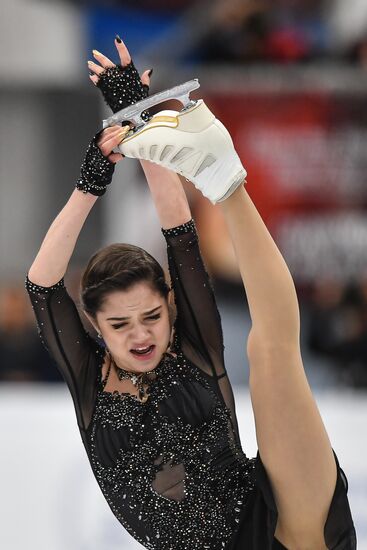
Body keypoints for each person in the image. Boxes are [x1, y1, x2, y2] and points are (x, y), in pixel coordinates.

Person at [26, 36, 356, 549]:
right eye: (119, 324)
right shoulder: (89, 379)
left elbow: (178, 231)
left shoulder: (193, 345)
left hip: (276, 521)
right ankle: (220, 176)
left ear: (171, 307)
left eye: (152, 317)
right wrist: (89, 183)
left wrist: (139, 123)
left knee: (270, 347)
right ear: (94, 326)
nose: (140, 334)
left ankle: (225, 181)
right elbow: (42, 286)